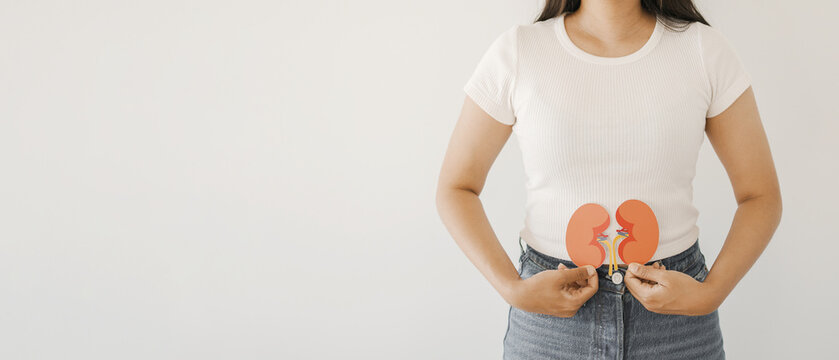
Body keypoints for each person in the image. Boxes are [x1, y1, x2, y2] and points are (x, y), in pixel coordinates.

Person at [435, 0, 782, 359]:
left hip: (678, 323)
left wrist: (712, 293)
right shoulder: (520, 51)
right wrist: (511, 288)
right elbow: (456, 187)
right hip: (548, 323)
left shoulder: (702, 50)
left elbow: (761, 195)